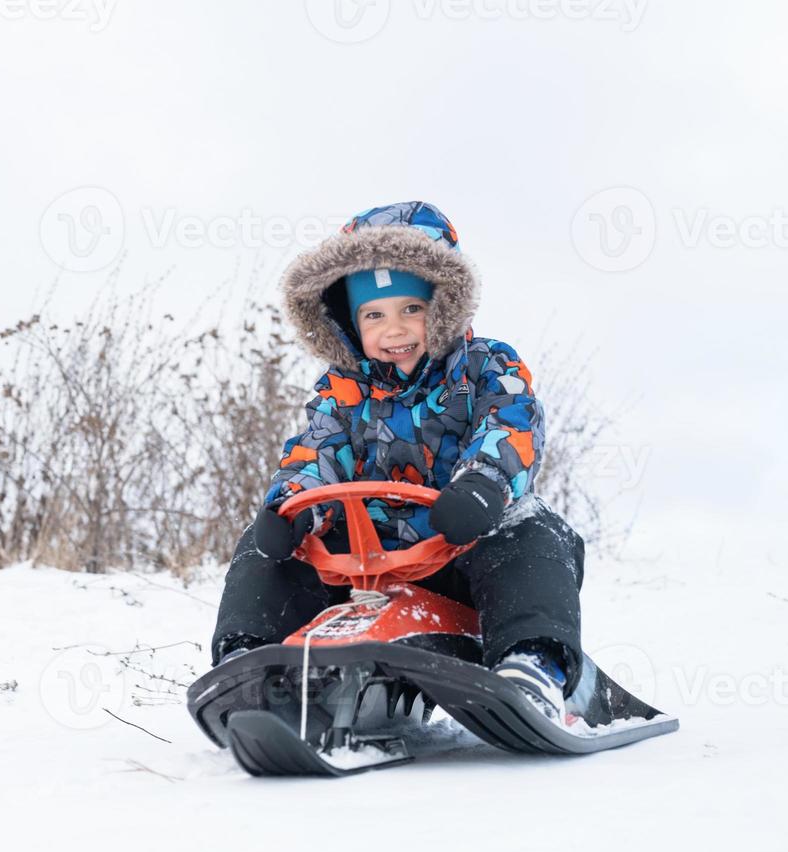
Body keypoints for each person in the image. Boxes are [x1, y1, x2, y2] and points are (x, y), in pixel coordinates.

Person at [209, 201, 585, 720]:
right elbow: (317, 451)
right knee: (267, 544)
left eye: (412, 309)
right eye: (374, 315)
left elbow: (512, 424)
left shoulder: (486, 366)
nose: (395, 329)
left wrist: (484, 485)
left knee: (535, 530)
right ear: (348, 324)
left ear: (445, 304)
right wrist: (292, 507)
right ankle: (248, 662)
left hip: (461, 552)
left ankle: (532, 662)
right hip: (363, 567)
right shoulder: (341, 391)